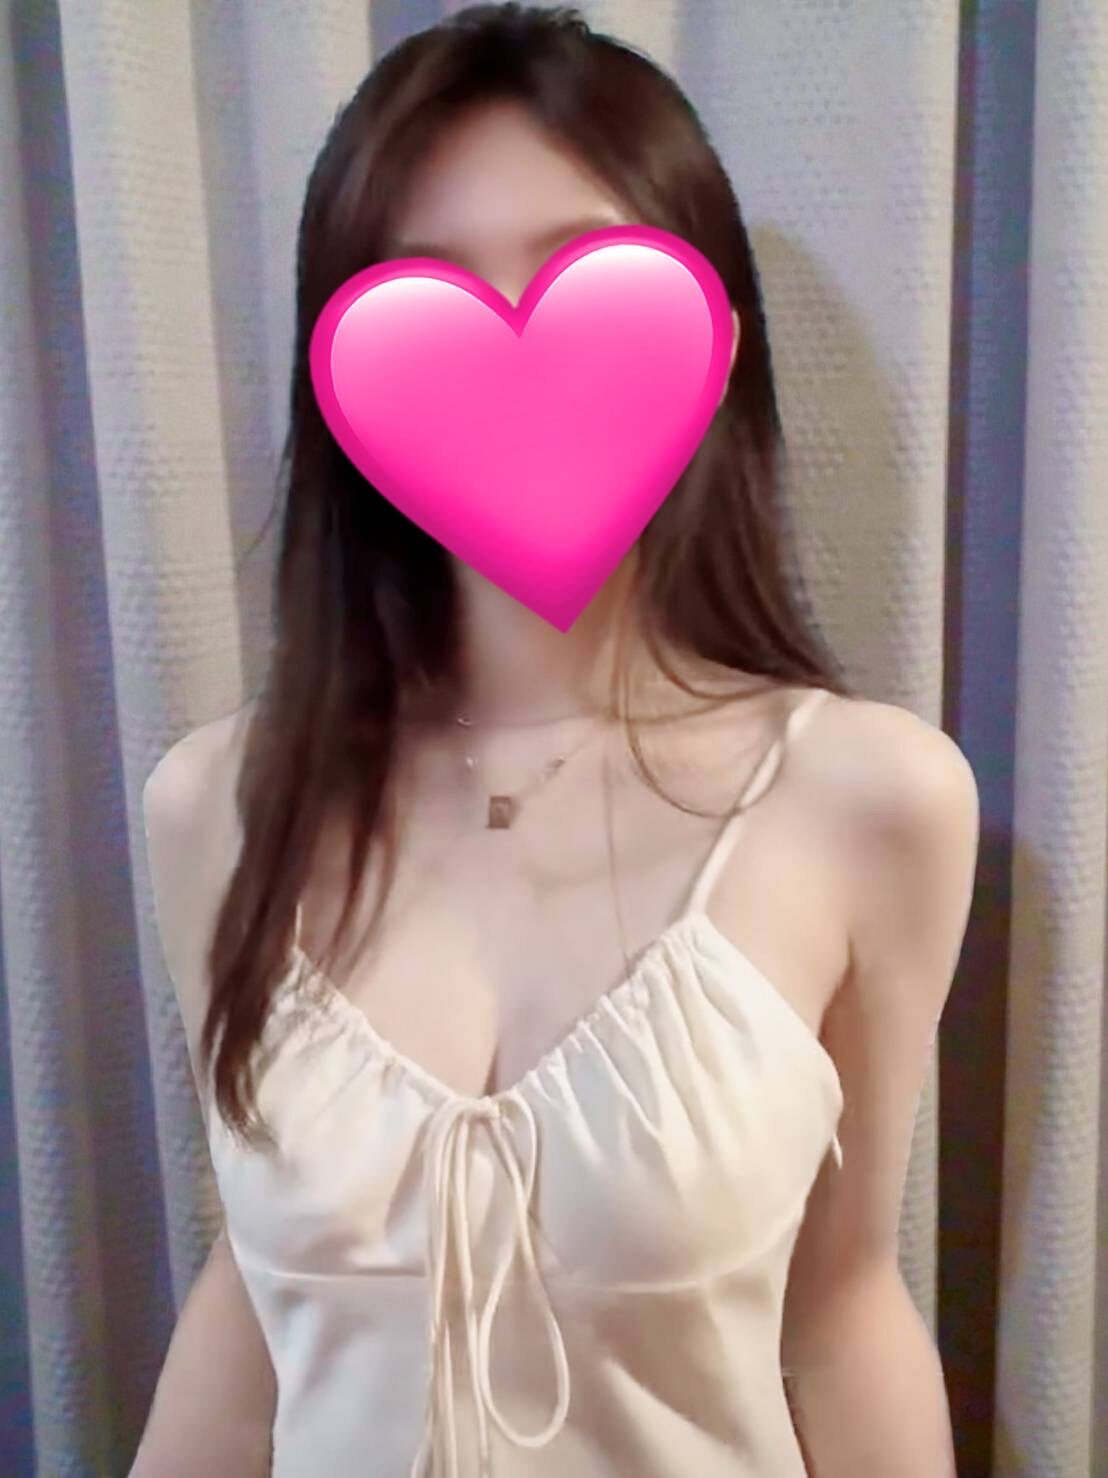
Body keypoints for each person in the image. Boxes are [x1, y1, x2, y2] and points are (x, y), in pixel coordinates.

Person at [136, 5, 979, 1476]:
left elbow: (843, 1308)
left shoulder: (870, 800)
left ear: (710, 337)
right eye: (431, 289)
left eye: (586, 273)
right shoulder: (217, 802)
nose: (515, 344)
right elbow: (255, 1306)